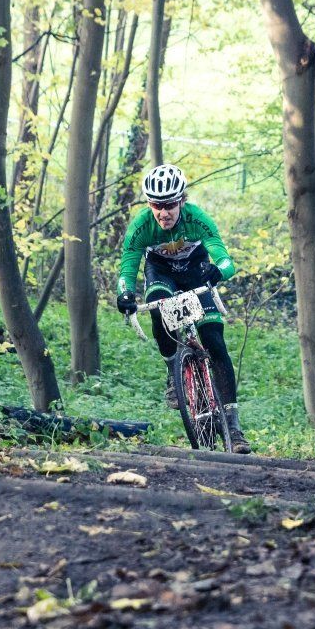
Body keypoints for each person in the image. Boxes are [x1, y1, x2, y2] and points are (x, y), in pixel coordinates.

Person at [115, 164, 251, 454]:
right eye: (156, 205)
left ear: (181, 201)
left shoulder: (197, 218)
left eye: (169, 205)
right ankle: (172, 368)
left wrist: (218, 271)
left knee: (214, 341)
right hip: (161, 274)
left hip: (196, 272)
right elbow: (128, 265)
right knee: (158, 304)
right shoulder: (142, 226)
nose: (163, 213)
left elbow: (225, 259)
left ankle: (234, 427)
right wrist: (124, 293)